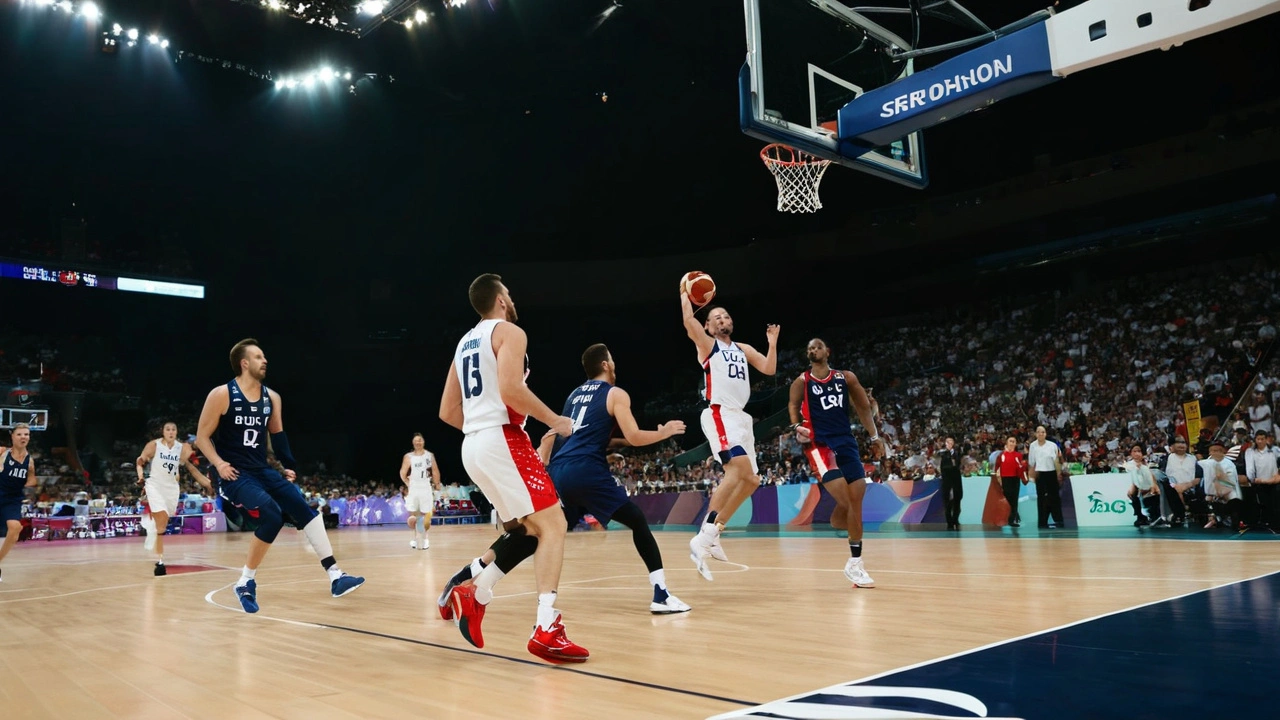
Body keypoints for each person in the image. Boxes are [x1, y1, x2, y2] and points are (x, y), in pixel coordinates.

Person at [437, 273, 587, 663]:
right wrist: (557, 421)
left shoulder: (463, 343)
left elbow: (446, 411)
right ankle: (546, 628)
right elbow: (510, 390)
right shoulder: (509, 332)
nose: (512, 298)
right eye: (509, 293)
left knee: (527, 530)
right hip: (503, 439)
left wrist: (479, 427)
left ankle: (476, 591)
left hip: (474, 445)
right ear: (500, 300)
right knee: (554, 525)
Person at [195, 338, 364, 613]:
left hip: (262, 468)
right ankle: (245, 582)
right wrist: (219, 463)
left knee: (306, 510)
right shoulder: (222, 394)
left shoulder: (272, 397)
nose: (265, 361)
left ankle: (336, 575)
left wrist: (287, 464)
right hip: (233, 472)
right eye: (259, 356)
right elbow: (202, 437)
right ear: (244, 363)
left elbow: (278, 435)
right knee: (272, 514)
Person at [536, 343, 691, 613]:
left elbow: (571, 434)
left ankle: (480, 571)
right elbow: (634, 436)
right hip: (587, 471)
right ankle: (661, 595)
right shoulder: (615, 393)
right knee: (637, 521)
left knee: (538, 534)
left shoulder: (573, 395)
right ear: (606, 365)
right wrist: (664, 433)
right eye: (612, 360)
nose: (615, 365)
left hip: (559, 472)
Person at [682, 293, 779, 580]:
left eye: (725, 316)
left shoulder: (743, 348)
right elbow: (689, 321)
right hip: (719, 413)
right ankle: (703, 535)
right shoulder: (708, 346)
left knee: (752, 479)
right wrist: (684, 292)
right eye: (716, 318)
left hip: (741, 418)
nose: (722, 320)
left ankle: (715, 533)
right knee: (736, 472)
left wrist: (772, 343)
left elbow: (769, 368)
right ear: (709, 328)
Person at [787, 338, 882, 588]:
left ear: (827, 351)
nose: (812, 350)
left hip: (846, 442)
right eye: (808, 348)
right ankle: (856, 564)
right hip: (819, 445)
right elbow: (793, 405)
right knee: (849, 501)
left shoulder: (846, 377)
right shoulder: (802, 381)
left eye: (817, 346)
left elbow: (862, 406)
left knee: (857, 500)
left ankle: (850, 553)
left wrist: (874, 437)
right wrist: (797, 425)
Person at [136, 421, 212, 575]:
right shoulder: (154, 445)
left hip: (171, 488)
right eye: (168, 429)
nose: (171, 432)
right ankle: (160, 561)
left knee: (163, 524)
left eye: (173, 429)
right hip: (155, 484)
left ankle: (154, 532)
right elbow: (140, 461)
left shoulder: (182, 448)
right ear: (163, 432)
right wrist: (140, 477)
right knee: (161, 516)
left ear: (176, 432)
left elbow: (186, 462)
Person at [0, 423, 37, 582]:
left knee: (15, 528)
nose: (23, 437)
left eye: (26, 434)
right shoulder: (2, 453)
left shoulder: (29, 461)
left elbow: (32, 478)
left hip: (12, 498)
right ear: (12, 436)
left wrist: (30, 484)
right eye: (20, 434)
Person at [399, 433, 442, 550]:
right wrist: (408, 483)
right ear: (413, 442)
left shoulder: (430, 456)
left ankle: (425, 539)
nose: (418, 442)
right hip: (414, 487)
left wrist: (437, 484)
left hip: (426, 486)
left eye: (420, 440)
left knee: (425, 515)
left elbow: (435, 471)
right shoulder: (408, 457)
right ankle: (416, 538)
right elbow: (402, 473)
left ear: (423, 441)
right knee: (414, 515)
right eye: (416, 440)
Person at [1028, 425, 1065, 529]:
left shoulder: (1052, 445)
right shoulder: (1033, 446)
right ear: (1035, 434)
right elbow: (1031, 462)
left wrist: (1058, 474)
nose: (1041, 434)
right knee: (1042, 499)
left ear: (1045, 434)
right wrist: (1032, 476)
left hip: (1052, 473)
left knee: (1055, 498)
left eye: (1043, 432)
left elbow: (1057, 460)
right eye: (1038, 432)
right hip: (1040, 474)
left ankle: (1058, 520)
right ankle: (1042, 522)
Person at [992, 437, 1028, 527]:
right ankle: (1005, 518)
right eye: (1010, 441)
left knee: (1014, 499)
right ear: (1007, 443)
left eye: (1014, 441)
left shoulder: (1018, 455)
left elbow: (1021, 467)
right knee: (1007, 499)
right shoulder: (1001, 455)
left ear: (1016, 444)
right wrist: (998, 479)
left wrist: (1023, 477)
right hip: (1005, 479)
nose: (1012, 443)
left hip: (1015, 479)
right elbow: (997, 468)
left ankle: (1012, 520)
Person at [1124, 443, 1163, 527]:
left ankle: (1155, 516)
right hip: (1135, 487)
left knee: (1154, 490)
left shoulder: (1149, 463)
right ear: (1131, 453)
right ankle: (1140, 517)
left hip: (1149, 486)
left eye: (1139, 451)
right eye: (1134, 451)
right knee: (1135, 492)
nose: (1136, 453)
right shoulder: (1129, 465)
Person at [936, 436, 964, 530]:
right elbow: (942, 466)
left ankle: (955, 519)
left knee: (957, 500)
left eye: (952, 442)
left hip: (956, 479)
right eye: (948, 442)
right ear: (945, 443)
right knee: (947, 502)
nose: (950, 444)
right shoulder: (942, 454)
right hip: (947, 480)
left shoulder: (957, 453)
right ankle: (949, 522)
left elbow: (959, 464)